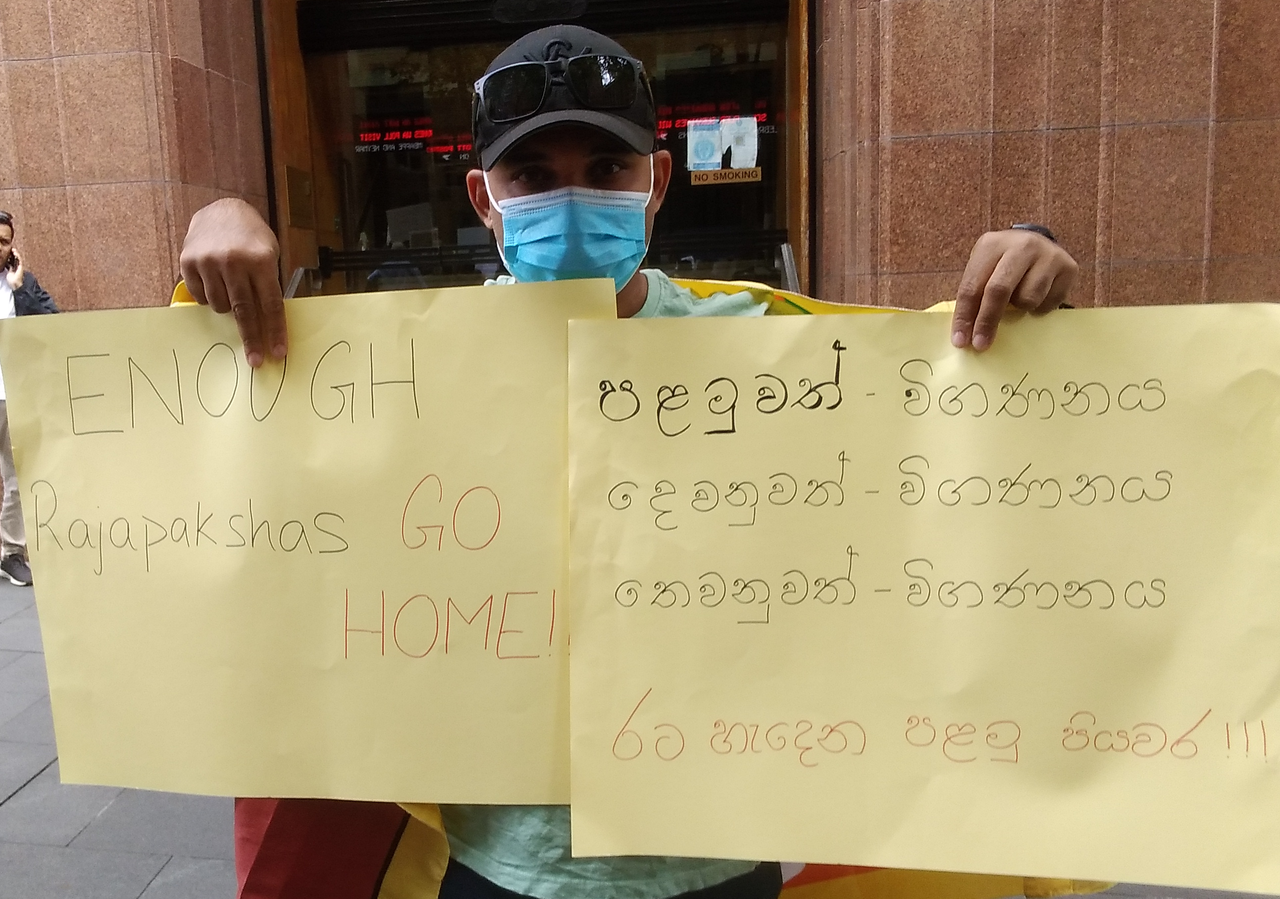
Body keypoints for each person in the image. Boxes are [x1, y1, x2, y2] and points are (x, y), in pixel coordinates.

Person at [178, 25, 1080, 899]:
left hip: (719, 860)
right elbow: (246, 439)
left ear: (658, 182)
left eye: (608, 168)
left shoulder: (765, 351)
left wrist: (1027, 265)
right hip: (502, 866)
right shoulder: (412, 368)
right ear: (484, 198)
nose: (571, 199)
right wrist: (219, 225)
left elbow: (960, 410)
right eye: (533, 175)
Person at [0, 211, 57, 588]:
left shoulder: (23, 283)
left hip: (12, 394)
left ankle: (12, 553)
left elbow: (53, 322)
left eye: (4, 241)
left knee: (17, 478)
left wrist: (20, 288)